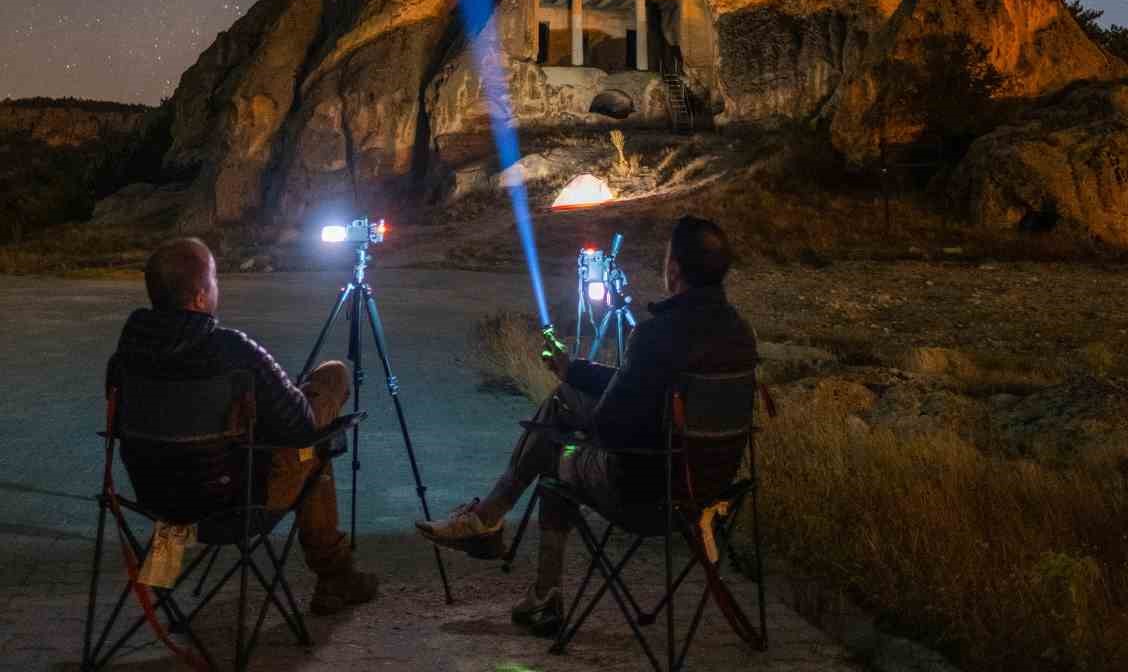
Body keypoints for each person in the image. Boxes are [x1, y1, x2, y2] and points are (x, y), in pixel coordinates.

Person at [417, 214, 757, 637]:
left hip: (649, 495)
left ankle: (516, 558)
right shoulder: (740, 333)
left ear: (673, 270)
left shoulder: (656, 337)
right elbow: (639, 386)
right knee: (565, 405)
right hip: (711, 492)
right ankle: (492, 525)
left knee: (561, 457)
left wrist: (572, 429)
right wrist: (574, 371)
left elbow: (610, 427)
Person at [106, 236, 378, 617]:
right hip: (235, 505)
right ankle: (336, 576)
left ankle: (161, 583)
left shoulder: (125, 358)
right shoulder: (233, 351)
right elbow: (300, 426)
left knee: (177, 456)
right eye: (215, 280)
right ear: (200, 296)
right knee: (320, 431)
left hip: (158, 501)